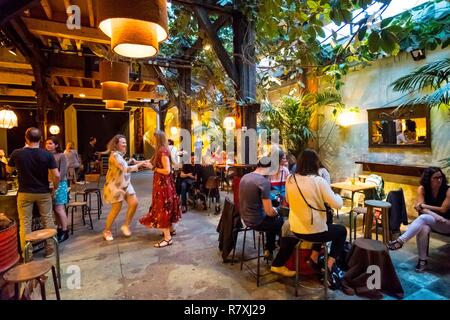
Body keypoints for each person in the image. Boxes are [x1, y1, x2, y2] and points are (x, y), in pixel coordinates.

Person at [270, 149, 346, 289]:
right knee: (341, 231)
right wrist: (338, 196)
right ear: (315, 163)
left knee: (324, 223)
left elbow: (288, 200)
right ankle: (328, 266)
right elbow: (337, 204)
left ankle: (313, 258)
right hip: (314, 231)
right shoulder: (319, 181)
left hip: (296, 229)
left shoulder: (290, 179)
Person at [7, 127, 60, 258]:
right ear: (41, 139)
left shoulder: (17, 153)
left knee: (25, 223)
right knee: (48, 220)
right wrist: (54, 187)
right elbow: (57, 175)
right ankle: (50, 249)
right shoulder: (47, 155)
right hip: (43, 192)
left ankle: (27, 254)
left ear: (26, 138)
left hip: (24, 192)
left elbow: (8, 170)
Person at [387, 167, 450, 272]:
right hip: (434, 221)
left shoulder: (448, 190)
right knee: (423, 228)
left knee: (423, 218)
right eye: (436, 178)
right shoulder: (422, 189)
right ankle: (422, 261)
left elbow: (443, 210)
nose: (439, 180)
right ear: (428, 179)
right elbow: (421, 208)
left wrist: (426, 207)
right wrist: (434, 214)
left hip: (447, 223)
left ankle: (400, 241)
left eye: (441, 177)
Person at [139, 130, 182, 248]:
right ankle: (171, 230)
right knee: (165, 207)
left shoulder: (162, 151)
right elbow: (151, 162)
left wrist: (153, 168)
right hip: (162, 184)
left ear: (158, 139)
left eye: (153, 139)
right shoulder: (160, 150)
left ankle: (167, 238)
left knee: (162, 208)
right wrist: (137, 163)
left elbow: (167, 170)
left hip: (163, 185)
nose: (152, 141)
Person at [102, 135, 149, 241]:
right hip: (115, 185)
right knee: (116, 208)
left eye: (125, 142)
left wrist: (133, 162)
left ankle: (126, 225)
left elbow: (124, 165)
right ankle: (106, 231)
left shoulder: (119, 155)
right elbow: (125, 169)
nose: (125, 144)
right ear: (116, 144)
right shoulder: (114, 156)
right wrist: (140, 164)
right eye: (123, 142)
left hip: (125, 183)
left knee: (134, 203)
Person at [239, 156, 284, 260]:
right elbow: (269, 212)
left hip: (245, 219)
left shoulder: (245, 177)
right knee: (282, 222)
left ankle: (269, 248)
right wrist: (277, 211)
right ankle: (281, 259)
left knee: (272, 221)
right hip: (258, 222)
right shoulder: (263, 182)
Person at [45, 137, 70, 243]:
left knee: (59, 208)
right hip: (48, 184)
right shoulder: (45, 155)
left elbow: (63, 172)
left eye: (50, 143)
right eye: (46, 143)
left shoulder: (61, 156)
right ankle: (59, 228)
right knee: (55, 209)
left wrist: (55, 183)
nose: (48, 145)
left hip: (60, 183)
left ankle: (65, 231)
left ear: (56, 145)